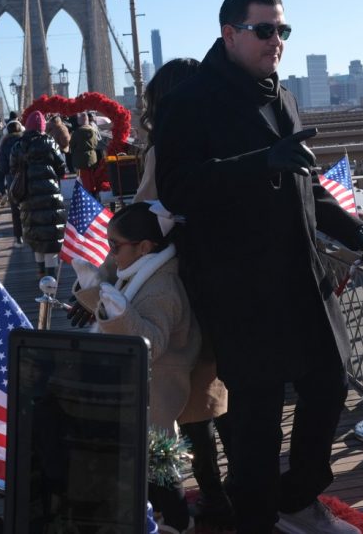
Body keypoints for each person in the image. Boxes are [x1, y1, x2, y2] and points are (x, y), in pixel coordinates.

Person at [154, 0, 363, 534]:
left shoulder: (280, 95)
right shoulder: (189, 102)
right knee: (258, 418)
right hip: (240, 288)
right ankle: (258, 520)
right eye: (265, 30)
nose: (277, 41)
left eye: (283, 31)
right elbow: (176, 187)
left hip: (302, 277)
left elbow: (305, 183)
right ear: (230, 33)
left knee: (330, 384)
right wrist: (260, 162)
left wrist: (351, 229)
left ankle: (297, 495)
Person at [134, 58, 235, 525]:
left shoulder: (165, 150)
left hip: (183, 287)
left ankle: (210, 499)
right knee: (225, 394)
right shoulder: (225, 136)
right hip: (229, 281)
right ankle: (240, 492)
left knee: (192, 401)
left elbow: (146, 216)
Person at [73, 202, 200, 534]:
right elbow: (119, 312)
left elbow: (150, 342)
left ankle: (177, 523)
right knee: (144, 466)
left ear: (144, 247)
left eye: (114, 246)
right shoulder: (142, 270)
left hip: (156, 395)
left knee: (159, 466)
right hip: (141, 391)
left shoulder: (162, 289)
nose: (110, 252)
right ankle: (158, 515)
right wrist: (93, 291)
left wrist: (115, 312)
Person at [9, 110, 67, 277]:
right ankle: (51, 277)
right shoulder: (49, 142)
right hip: (50, 197)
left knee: (37, 236)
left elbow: (13, 170)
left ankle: (41, 272)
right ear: (42, 127)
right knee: (50, 238)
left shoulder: (18, 146)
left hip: (28, 196)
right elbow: (61, 168)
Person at [0, 119, 24, 244]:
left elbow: (2, 167)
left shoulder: (4, 143)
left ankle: (18, 237)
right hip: (25, 177)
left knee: (15, 209)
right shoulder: (24, 141)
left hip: (11, 178)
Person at [70, 112, 99, 193]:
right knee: (92, 177)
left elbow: (72, 145)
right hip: (92, 157)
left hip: (81, 158)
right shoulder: (92, 130)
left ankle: (88, 194)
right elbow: (96, 143)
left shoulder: (77, 132)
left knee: (84, 178)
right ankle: (93, 191)